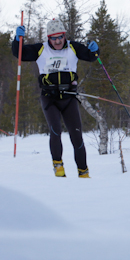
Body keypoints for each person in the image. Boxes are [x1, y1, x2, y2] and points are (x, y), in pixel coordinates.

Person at [12, 18, 98, 177]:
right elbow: (20, 54)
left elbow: (91, 56)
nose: (58, 41)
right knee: (55, 130)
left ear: (64, 35)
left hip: (69, 97)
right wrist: (17, 40)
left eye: (60, 37)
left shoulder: (73, 47)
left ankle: (83, 171)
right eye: (54, 38)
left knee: (76, 134)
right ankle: (58, 166)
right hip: (49, 97)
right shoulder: (41, 49)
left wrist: (94, 50)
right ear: (48, 38)